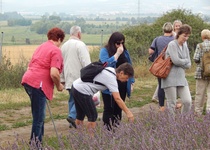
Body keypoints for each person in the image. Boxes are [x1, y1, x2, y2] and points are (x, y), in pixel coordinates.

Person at [21, 27, 65, 144]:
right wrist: (59, 86)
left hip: (28, 80)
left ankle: (38, 142)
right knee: (39, 119)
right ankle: (35, 145)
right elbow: (54, 73)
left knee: (38, 115)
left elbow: (31, 65)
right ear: (60, 39)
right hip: (38, 84)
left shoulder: (41, 47)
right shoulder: (56, 50)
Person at [72, 62, 134, 135]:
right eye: (126, 77)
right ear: (121, 73)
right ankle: (91, 142)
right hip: (83, 91)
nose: (126, 80)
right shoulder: (111, 79)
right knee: (93, 116)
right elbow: (117, 98)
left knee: (80, 115)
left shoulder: (110, 70)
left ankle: (79, 137)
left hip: (75, 86)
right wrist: (128, 113)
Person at [99, 32, 135, 129]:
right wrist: (117, 54)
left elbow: (130, 68)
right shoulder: (105, 51)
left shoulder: (125, 52)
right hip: (109, 84)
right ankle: (107, 129)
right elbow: (105, 65)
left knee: (119, 107)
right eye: (118, 43)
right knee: (109, 108)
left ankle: (117, 129)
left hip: (122, 83)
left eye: (122, 43)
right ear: (112, 42)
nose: (120, 46)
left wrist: (131, 82)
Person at [60, 25, 91, 128]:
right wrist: (90, 75)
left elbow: (61, 63)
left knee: (72, 99)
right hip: (79, 77)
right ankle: (73, 116)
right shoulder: (80, 45)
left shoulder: (64, 46)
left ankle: (72, 121)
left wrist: (62, 79)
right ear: (79, 33)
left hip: (68, 77)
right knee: (80, 100)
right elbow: (86, 62)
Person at [161, 24, 192, 116]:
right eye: (184, 36)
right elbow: (176, 61)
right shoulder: (172, 44)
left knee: (187, 101)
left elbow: (189, 64)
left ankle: (183, 123)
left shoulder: (185, 45)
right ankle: (171, 126)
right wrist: (185, 61)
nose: (186, 38)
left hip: (181, 78)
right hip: (169, 78)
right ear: (179, 34)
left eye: (188, 36)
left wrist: (183, 62)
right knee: (172, 104)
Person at [148, 22, 174, 111]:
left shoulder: (157, 39)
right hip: (172, 65)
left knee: (161, 86)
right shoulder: (174, 39)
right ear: (172, 29)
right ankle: (172, 105)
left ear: (163, 29)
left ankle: (161, 106)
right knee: (172, 86)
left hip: (160, 66)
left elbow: (150, 51)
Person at [193, 29, 210, 115]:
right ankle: (208, 111)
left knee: (200, 93)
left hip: (201, 73)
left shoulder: (200, 45)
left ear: (202, 36)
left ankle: (198, 111)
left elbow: (196, 58)